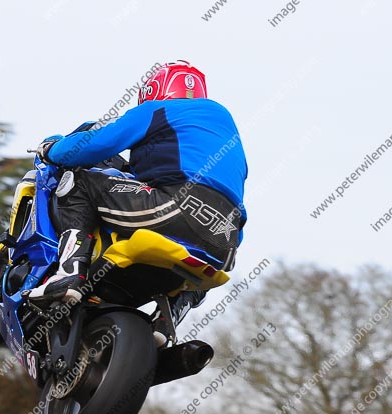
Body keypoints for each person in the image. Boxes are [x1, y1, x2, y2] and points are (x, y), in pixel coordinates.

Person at [26, 60, 248, 325]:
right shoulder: (225, 130)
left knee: (80, 182)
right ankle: (169, 318)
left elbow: (96, 144)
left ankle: (69, 275)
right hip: (227, 242)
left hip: (173, 207)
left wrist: (52, 149)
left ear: (154, 89)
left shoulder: (156, 110)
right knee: (203, 258)